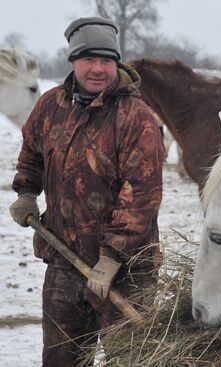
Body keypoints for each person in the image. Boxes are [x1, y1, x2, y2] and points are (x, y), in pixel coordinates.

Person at [8, 17, 164, 366]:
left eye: (106, 61)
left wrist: (112, 257)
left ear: (117, 64)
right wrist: (27, 192)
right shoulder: (51, 105)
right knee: (62, 359)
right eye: (89, 59)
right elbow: (31, 151)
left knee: (130, 360)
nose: (98, 69)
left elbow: (142, 192)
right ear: (73, 62)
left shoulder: (135, 117)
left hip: (125, 274)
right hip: (65, 260)